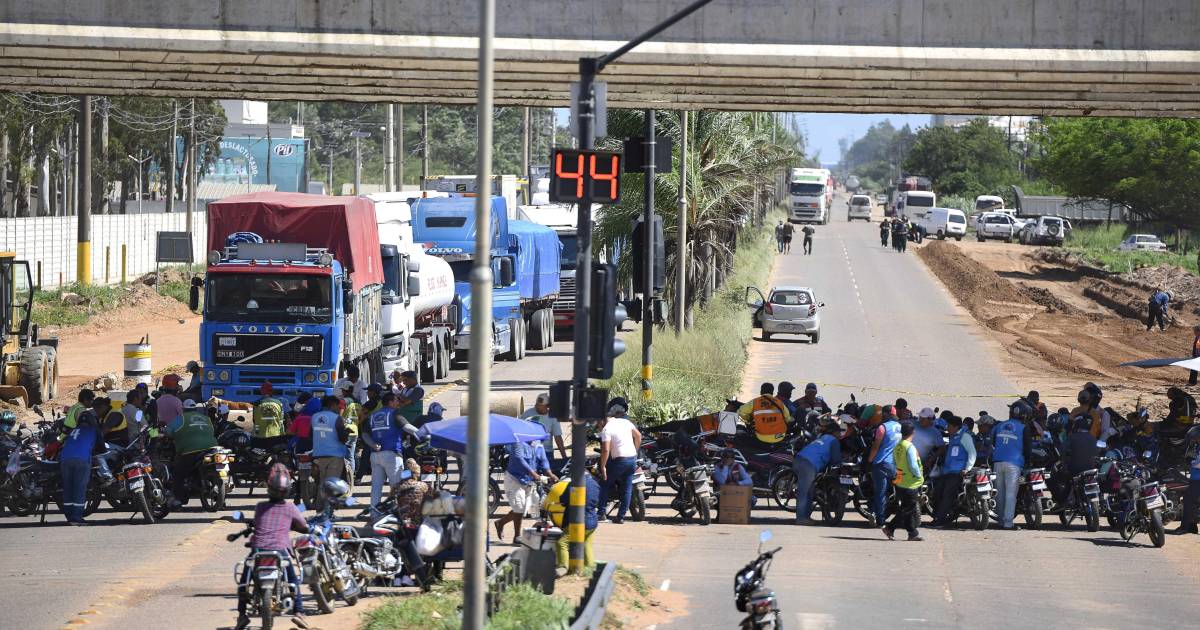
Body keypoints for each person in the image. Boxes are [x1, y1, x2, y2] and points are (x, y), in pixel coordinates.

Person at [233, 463, 309, 630]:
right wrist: (298, 527)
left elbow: (258, 524)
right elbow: (303, 526)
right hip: (280, 550)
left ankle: (242, 615)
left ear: (269, 488)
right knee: (293, 580)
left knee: (245, 581)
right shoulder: (290, 508)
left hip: (258, 550)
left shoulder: (261, 507)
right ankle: (299, 612)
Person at [362, 393, 418, 508]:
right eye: (396, 400)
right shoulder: (394, 413)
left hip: (375, 456)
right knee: (396, 487)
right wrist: (423, 433)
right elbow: (407, 427)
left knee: (376, 487)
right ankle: (398, 513)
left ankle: (374, 513)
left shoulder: (372, 415)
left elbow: (365, 434)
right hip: (391, 455)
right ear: (390, 402)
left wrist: (373, 444)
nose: (398, 403)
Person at [165, 399, 219, 508]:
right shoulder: (206, 418)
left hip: (191, 451)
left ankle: (178, 499)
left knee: (178, 473)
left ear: (183, 409)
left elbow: (168, 431)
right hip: (212, 449)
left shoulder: (180, 418)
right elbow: (213, 431)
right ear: (195, 408)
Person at [597, 397, 641, 524]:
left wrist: (603, 467)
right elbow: (638, 436)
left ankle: (601, 513)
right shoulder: (625, 422)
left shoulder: (607, 429)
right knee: (627, 488)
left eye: (599, 423)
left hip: (619, 461)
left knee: (604, 484)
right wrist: (635, 451)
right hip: (631, 459)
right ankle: (620, 517)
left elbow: (605, 450)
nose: (598, 425)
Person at [793, 417, 843, 525]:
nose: (840, 434)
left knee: (809, 490)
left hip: (799, 459)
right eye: (839, 432)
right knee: (805, 492)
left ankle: (805, 517)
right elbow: (836, 460)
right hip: (808, 464)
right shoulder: (834, 441)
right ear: (834, 432)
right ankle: (801, 518)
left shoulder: (822, 437)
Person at [993, 401, 1034, 530]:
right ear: (1024, 415)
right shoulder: (1024, 428)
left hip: (997, 462)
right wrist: (1028, 462)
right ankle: (1008, 523)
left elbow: (993, 441)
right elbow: (1027, 448)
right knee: (1011, 495)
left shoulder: (999, 425)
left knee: (999, 494)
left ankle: (1000, 521)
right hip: (1014, 464)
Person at [495, 434, 541, 543]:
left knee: (522, 509)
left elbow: (542, 459)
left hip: (528, 480)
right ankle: (517, 536)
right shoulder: (518, 443)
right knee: (519, 507)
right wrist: (533, 473)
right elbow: (519, 459)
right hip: (514, 479)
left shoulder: (537, 444)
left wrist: (550, 473)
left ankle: (501, 522)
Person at [931, 416, 976, 527]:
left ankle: (940, 520)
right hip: (947, 471)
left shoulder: (965, 437)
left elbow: (972, 453)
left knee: (947, 495)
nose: (947, 428)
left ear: (956, 427)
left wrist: (967, 468)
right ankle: (938, 516)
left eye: (949, 426)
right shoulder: (953, 436)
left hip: (958, 472)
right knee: (937, 492)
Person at [553, 470, 601, 571]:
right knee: (587, 544)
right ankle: (590, 569)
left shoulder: (575, 484)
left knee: (562, 543)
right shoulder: (595, 484)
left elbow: (563, 499)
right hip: (592, 521)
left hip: (578, 522)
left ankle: (563, 568)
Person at [59, 409, 101, 525]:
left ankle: (69, 516)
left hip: (65, 459)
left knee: (68, 487)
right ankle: (76, 517)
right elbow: (102, 448)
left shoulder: (72, 430)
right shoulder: (94, 430)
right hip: (82, 460)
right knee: (79, 488)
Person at [883, 422, 924, 541]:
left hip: (901, 479)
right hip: (910, 482)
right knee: (908, 508)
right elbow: (913, 465)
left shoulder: (898, 446)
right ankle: (889, 527)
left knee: (908, 508)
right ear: (913, 432)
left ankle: (912, 533)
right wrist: (919, 475)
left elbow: (894, 462)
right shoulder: (909, 447)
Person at [310, 396, 349, 512]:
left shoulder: (314, 417)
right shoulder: (337, 418)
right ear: (333, 405)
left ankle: (319, 508)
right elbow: (342, 438)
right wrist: (347, 432)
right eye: (337, 405)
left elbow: (310, 435)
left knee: (322, 483)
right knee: (332, 484)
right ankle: (328, 512)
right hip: (335, 455)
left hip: (319, 454)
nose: (338, 408)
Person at [866, 405, 902, 526]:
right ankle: (901, 516)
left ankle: (880, 519)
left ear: (885, 414)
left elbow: (875, 447)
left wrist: (869, 461)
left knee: (880, 492)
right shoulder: (901, 427)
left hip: (881, 465)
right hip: (898, 468)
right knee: (899, 491)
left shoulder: (882, 428)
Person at [521, 393, 567, 466]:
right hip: (530, 450)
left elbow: (558, 437)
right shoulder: (527, 414)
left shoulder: (553, 417)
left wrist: (564, 457)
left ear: (547, 406)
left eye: (541, 406)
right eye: (537, 405)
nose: (537, 407)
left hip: (547, 451)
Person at [1172, 425, 1200, 535]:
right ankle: (1192, 526)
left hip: (1198, 480)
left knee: (1188, 501)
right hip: (1195, 479)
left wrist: (1191, 462)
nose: (1194, 439)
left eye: (1195, 437)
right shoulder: (1196, 446)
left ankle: (1185, 527)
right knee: (1192, 502)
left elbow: (1198, 464)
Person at [336, 379, 362, 483]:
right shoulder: (358, 402)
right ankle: (352, 475)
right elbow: (361, 417)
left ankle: (347, 477)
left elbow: (339, 416)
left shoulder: (343, 401)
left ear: (345, 390)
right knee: (351, 455)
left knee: (344, 455)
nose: (342, 391)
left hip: (346, 431)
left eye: (342, 390)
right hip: (355, 430)